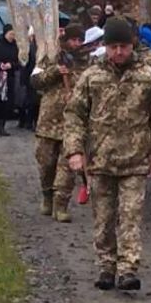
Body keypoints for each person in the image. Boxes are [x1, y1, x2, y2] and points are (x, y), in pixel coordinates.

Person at [63, 15, 151, 292]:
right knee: (104, 217)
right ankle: (106, 265)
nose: (119, 52)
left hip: (135, 160)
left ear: (132, 45)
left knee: (131, 215)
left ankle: (128, 268)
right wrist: (74, 150)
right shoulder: (92, 76)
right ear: (106, 47)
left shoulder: (147, 77)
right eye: (113, 47)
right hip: (100, 160)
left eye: (124, 46)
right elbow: (75, 114)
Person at [31, 23, 89, 220]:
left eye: (80, 40)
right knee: (46, 164)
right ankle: (47, 195)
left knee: (68, 168)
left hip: (72, 125)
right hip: (48, 121)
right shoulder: (49, 57)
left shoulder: (87, 63)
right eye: (74, 39)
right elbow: (35, 81)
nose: (77, 44)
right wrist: (55, 71)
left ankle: (61, 204)